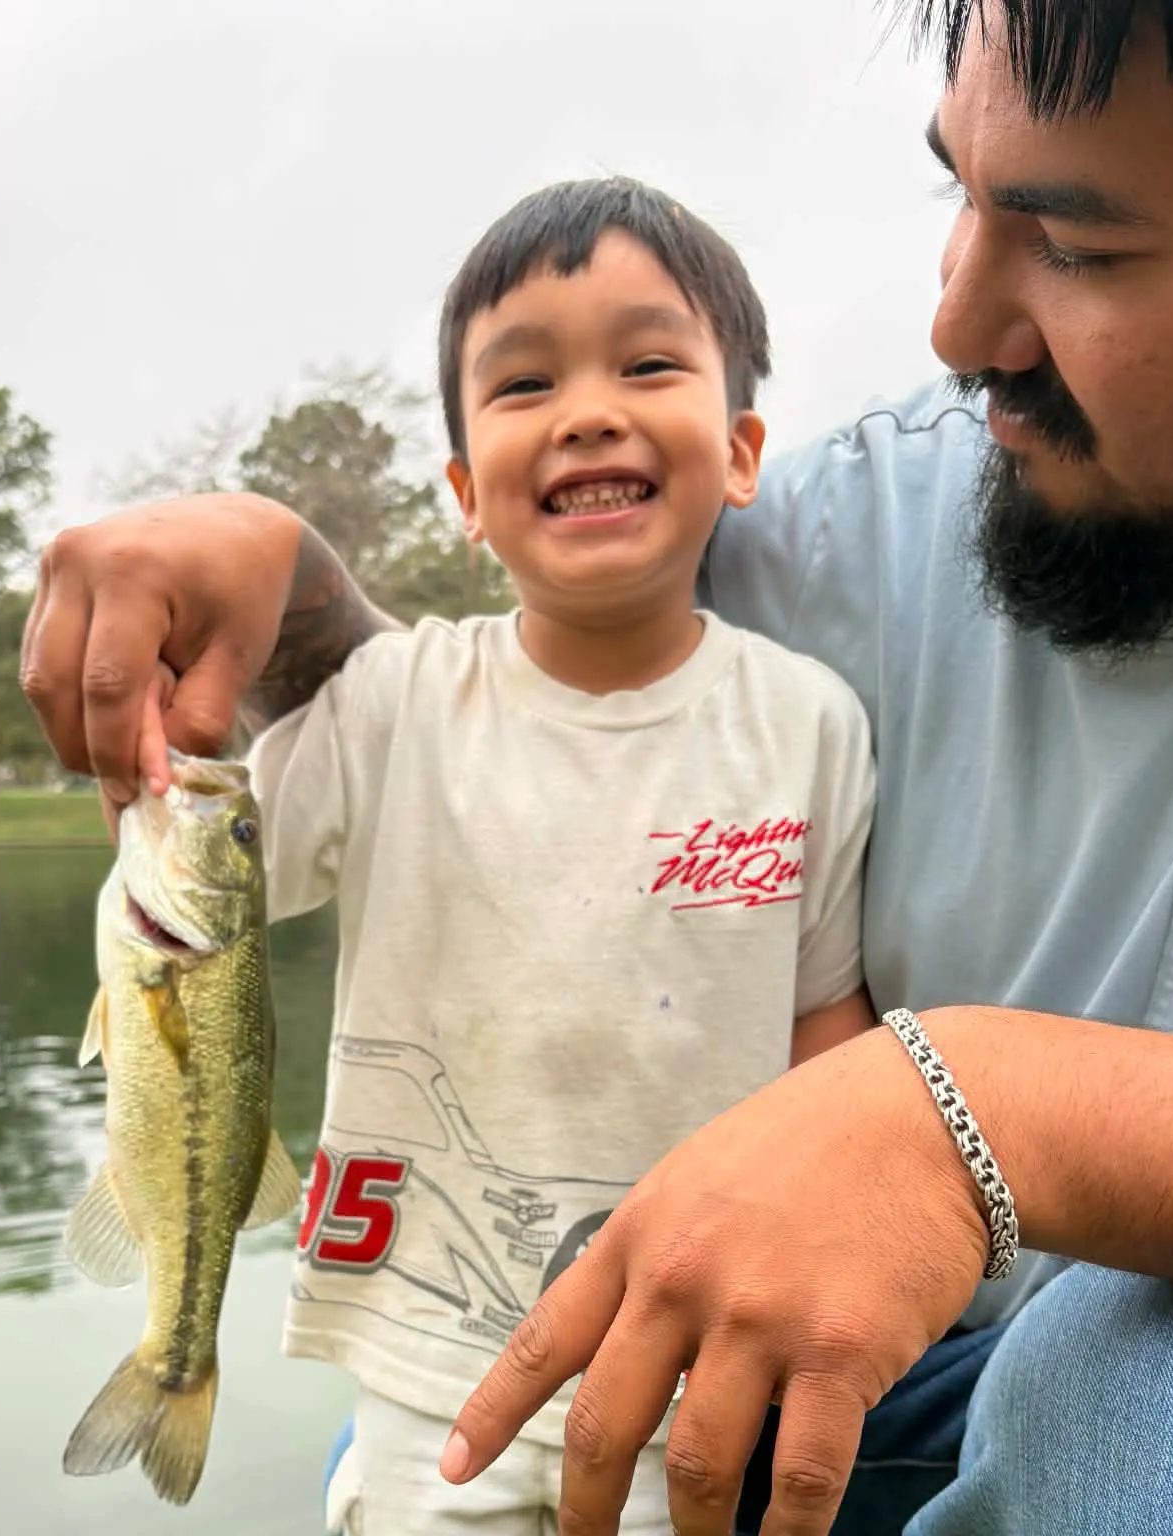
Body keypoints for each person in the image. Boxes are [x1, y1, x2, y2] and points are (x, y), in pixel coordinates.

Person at [18, 1, 1173, 1532]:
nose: (953, 332)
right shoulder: (884, 512)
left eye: (1081, 247)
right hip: (694, 1348)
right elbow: (524, 733)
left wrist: (980, 1107)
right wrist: (289, 580)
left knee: (1166, 1432)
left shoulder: (817, 695)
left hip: (1053, 1376)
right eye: (958, 196)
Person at [239, 176, 879, 1535]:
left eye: (649, 364)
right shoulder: (391, 699)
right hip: (426, 1364)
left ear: (743, 448)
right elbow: (231, 871)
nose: (589, 408)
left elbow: (828, 1027)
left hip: (698, 1364)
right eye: (524, 384)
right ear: (469, 493)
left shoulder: (811, 721)